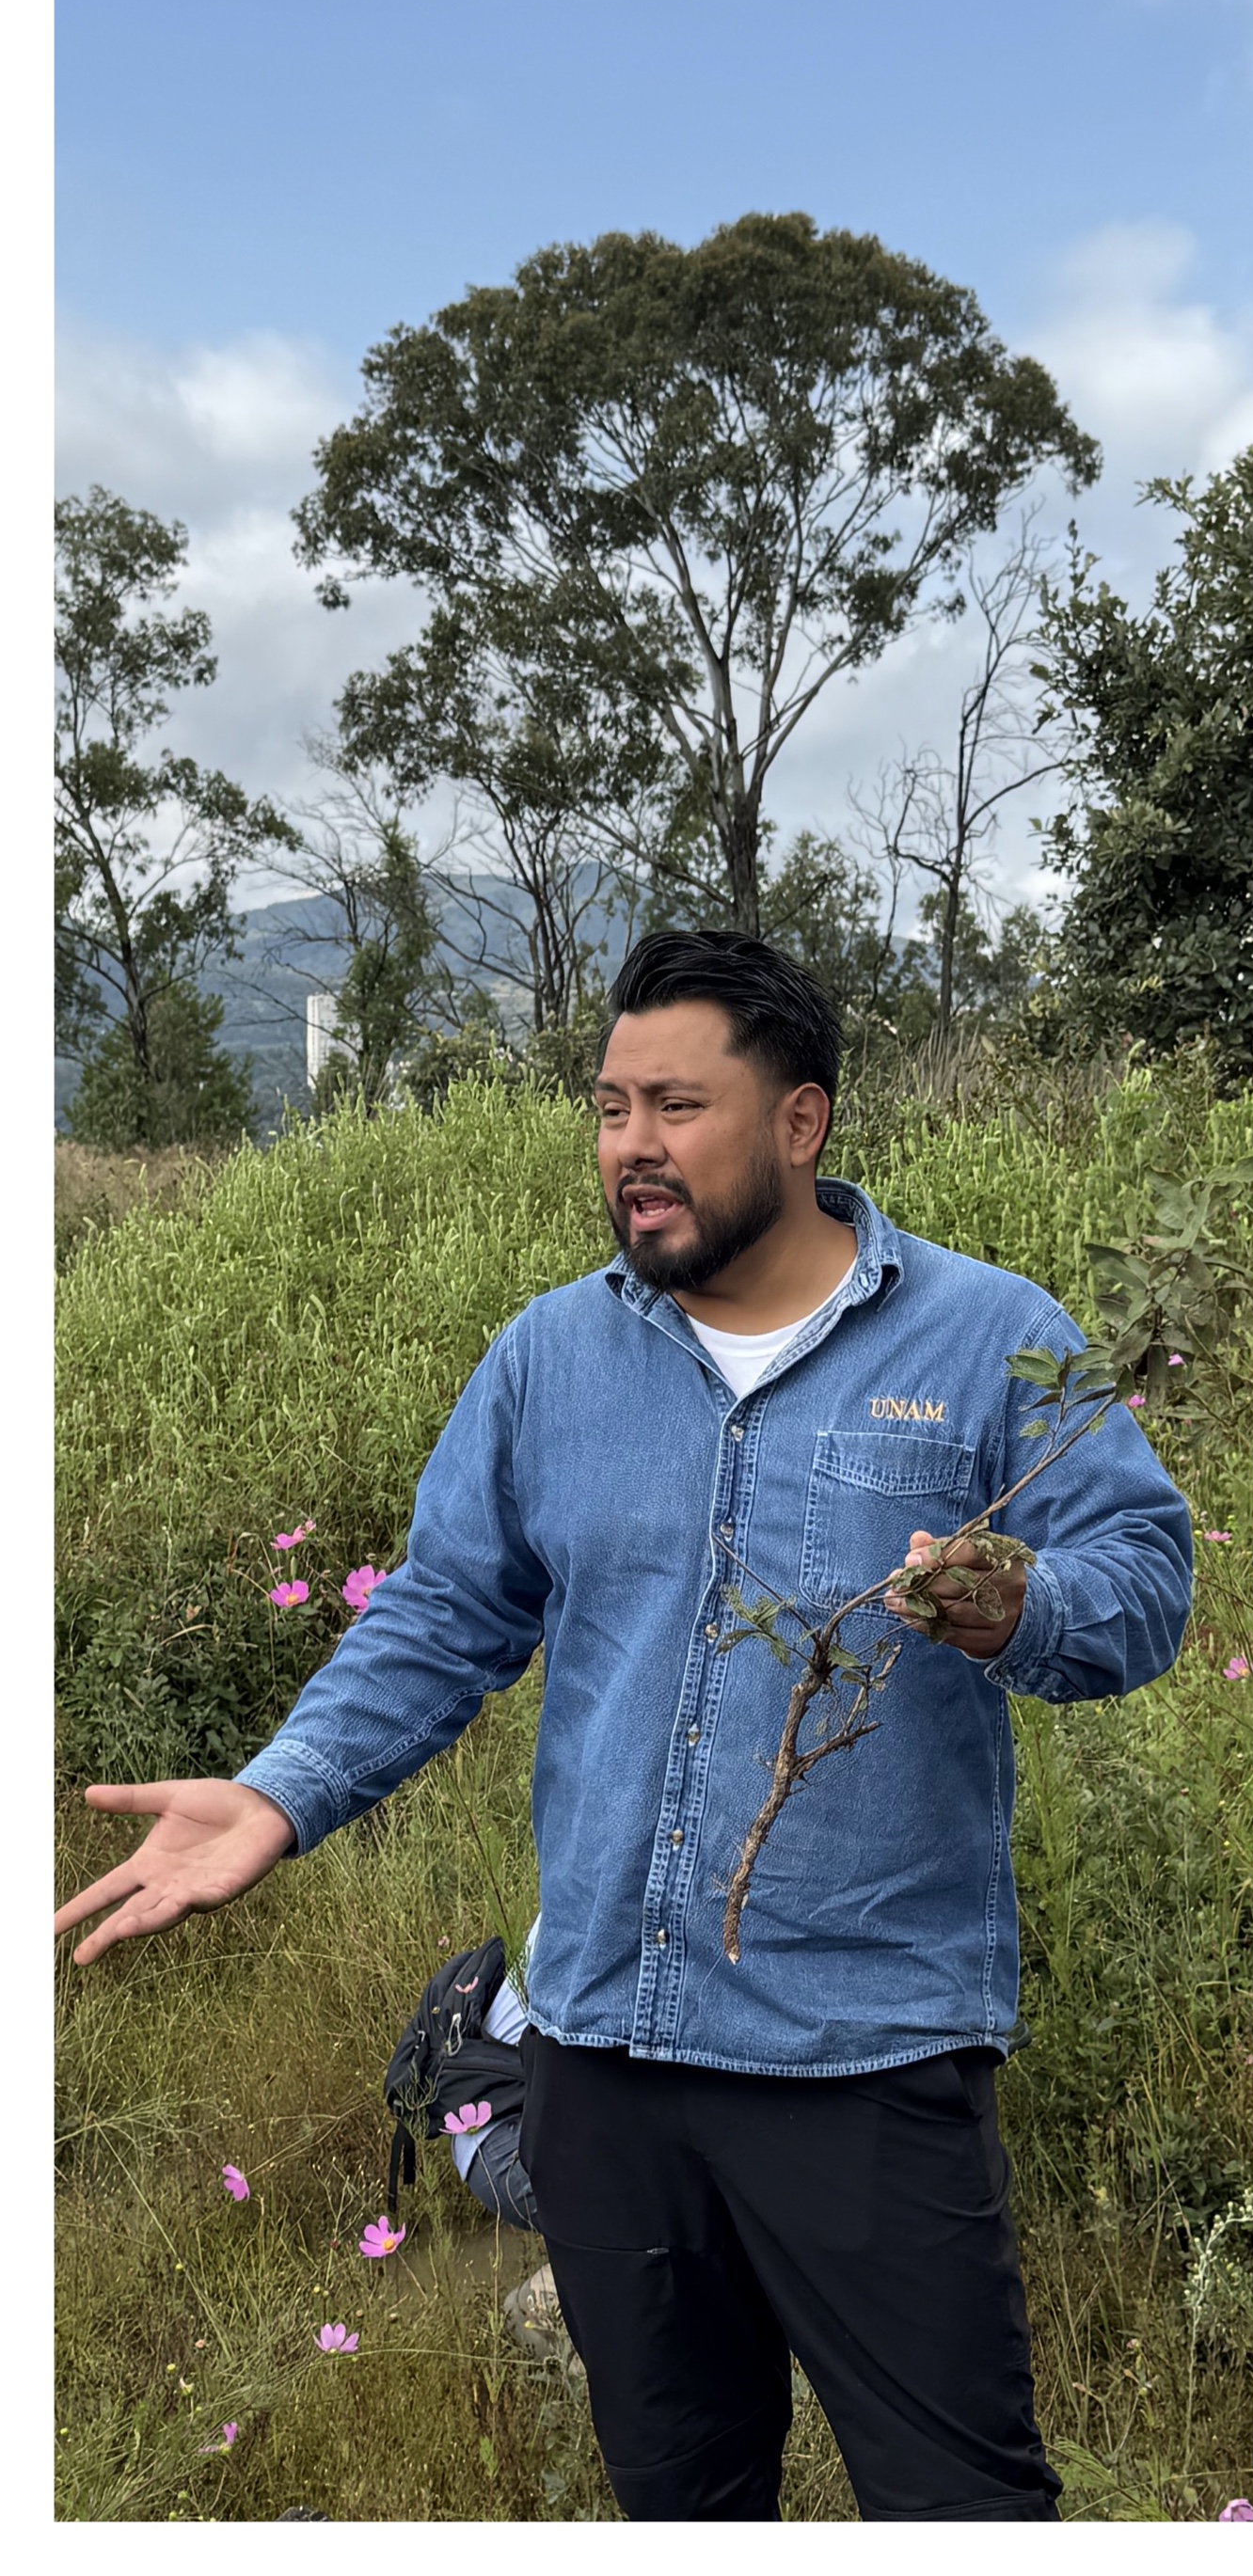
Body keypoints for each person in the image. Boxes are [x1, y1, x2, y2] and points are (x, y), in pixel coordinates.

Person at [56, 930, 1195, 2522]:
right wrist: (280, 1795)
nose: (631, 1150)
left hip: (863, 2062)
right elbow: (447, 1616)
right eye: (607, 1108)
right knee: (679, 2494)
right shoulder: (552, 1358)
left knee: (964, 2507)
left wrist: (1021, 1607)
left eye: (675, 1107)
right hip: (600, 2050)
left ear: (800, 1124)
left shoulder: (986, 1340)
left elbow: (1145, 1582)